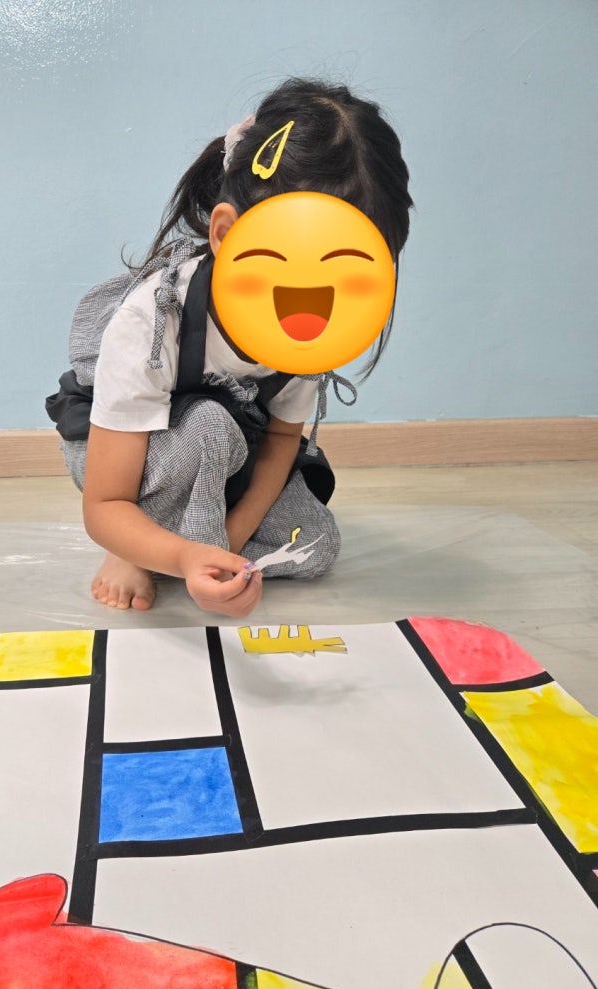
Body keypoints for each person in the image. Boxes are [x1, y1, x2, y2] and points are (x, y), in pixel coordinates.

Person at [59, 77, 412, 617]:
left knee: (315, 544)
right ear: (225, 233)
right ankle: (135, 548)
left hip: (232, 455)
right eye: (294, 271)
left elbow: (281, 442)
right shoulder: (155, 319)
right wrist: (186, 556)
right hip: (127, 459)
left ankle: (179, 540)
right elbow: (105, 502)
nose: (315, 306)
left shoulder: (321, 329)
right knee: (209, 426)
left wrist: (227, 541)